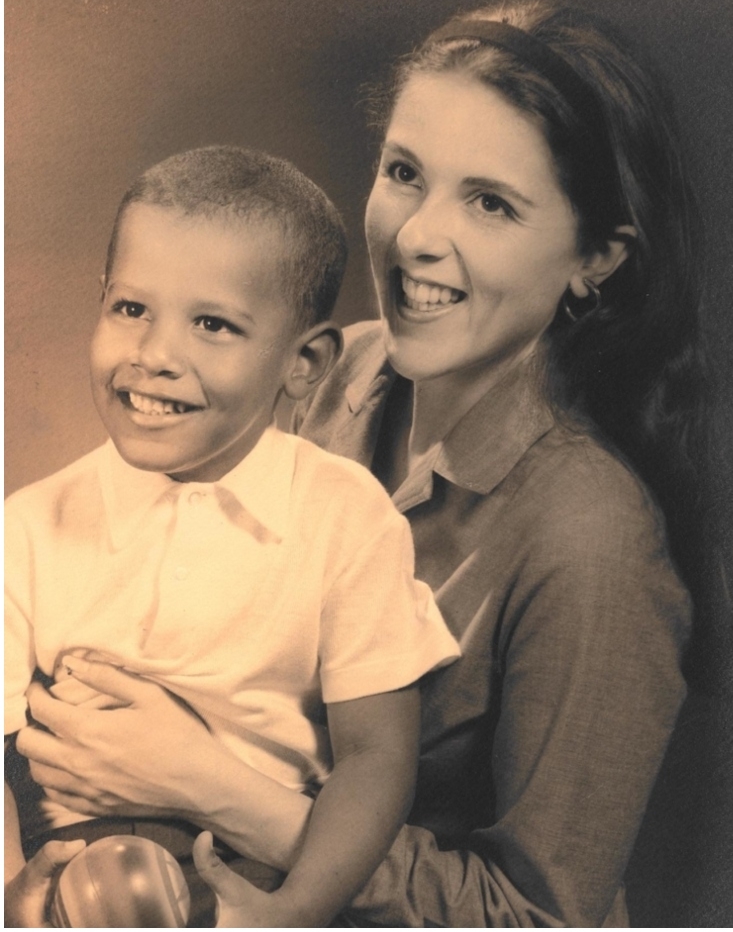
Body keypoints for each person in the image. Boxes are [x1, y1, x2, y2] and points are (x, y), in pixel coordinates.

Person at [14, 0, 713, 927]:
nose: (419, 234)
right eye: (404, 172)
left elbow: (538, 917)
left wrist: (218, 790)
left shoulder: (593, 542)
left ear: (596, 257)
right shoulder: (324, 374)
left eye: (492, 202)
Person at [4, 145, 460, 928]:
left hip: (252, 871)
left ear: (304, 363)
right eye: (130, 309)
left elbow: (378, 758)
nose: (153, 356)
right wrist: (12, 888)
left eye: (212, 324)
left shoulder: (344, 516)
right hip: (65, 868)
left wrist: (300, 905)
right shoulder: (30, 526)